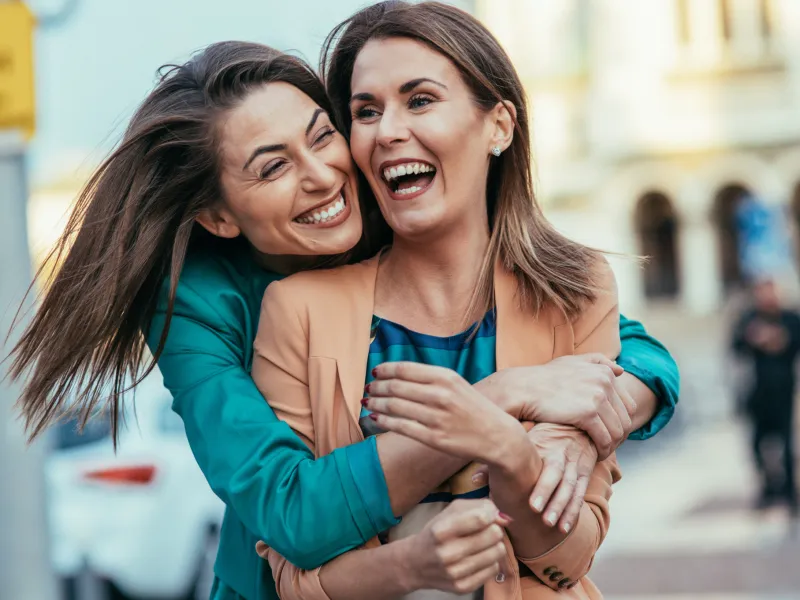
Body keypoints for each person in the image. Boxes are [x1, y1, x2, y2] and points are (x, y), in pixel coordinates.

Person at [7, 40, 679, 600]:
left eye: (322, 135)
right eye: (272, 167)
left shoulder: (390, 204)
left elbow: (631, 352)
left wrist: (584, 425)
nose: (323, 176)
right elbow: (291, 511)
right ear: (218, 215)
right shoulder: (194, 305)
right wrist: (493, 410)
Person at [248, 3, 665, 598]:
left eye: (419, 100)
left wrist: (504, 448)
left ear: (498, 125)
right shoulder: (298, 310)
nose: (387, 130)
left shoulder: (576, 289)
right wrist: (410, 566)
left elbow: (568, 560)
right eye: (366, 111)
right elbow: (291, 576)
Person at [732, 278, 800, 513]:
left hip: (784, 391)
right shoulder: (748, 319)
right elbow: (736, 347)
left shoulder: (790, 317)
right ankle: (768, 489)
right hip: (757, 392)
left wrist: (780, 339)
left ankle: (790, 493)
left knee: (788, 445)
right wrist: (753, 338)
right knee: (757, 444)